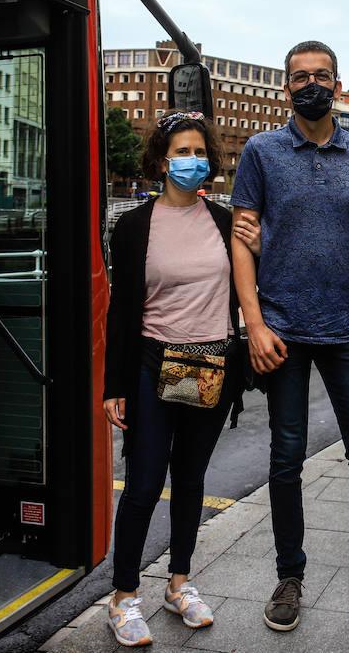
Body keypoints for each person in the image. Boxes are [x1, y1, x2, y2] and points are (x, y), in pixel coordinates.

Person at [230, 40, 349, 640]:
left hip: (345, 331)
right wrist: (253, 323)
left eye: (322, 75)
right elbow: (241, 238)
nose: (312, 84)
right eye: (300, 76)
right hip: (280, 331)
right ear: (287, 88)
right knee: (285, 460)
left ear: (337, 83)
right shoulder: (260, 151)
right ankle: (289, 578)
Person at [102, 111, 248, 647]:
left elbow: (250, 284)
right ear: (162, 161)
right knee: (142, 484)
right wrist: (112, 385)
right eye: (182, 152)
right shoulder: (135, 225)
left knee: (190, 480)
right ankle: (123, 597)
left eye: (199, 152)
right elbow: (120, 312)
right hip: (152, 363)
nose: (193, 161)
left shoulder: (228, 222)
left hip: (208, 365)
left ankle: (179, 584)